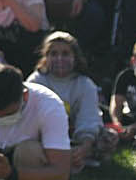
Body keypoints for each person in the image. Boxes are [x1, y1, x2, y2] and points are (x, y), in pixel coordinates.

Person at [27, 31, 108, 170]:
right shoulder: (36, 82)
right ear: (45, 57)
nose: (59, 59)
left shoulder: (85, 85)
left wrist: (84, 147)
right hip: (44, 139)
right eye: (53, 54)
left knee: (108, 138)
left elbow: (89, 118)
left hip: (76, 139)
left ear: (75, 57)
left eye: (65, 54)